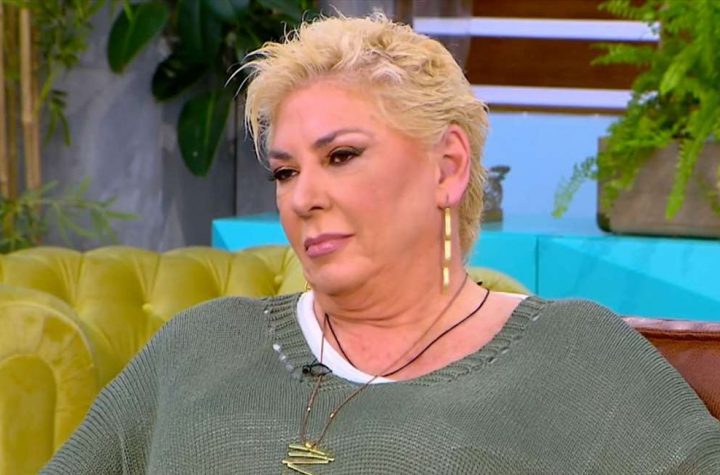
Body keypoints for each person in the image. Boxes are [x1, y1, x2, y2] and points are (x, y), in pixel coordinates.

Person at [44, 13, 720, 474]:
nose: (302, 196)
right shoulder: (200, 345)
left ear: (447, 167)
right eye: (285, 171)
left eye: (340, 156)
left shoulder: (578, 357)